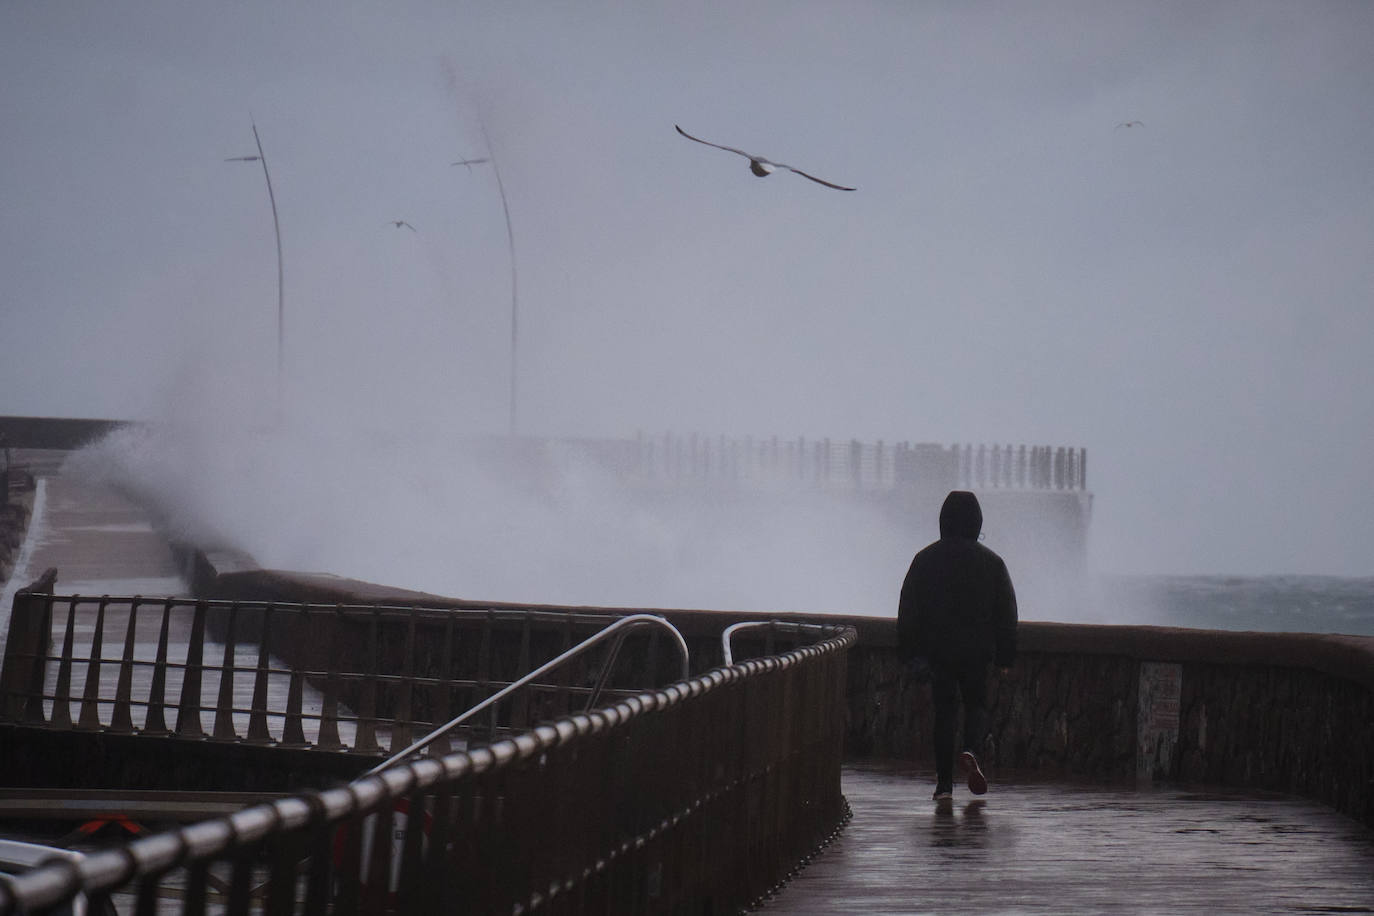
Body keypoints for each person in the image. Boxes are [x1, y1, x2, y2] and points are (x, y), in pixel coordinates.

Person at [897, 490, 1017, 801]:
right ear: (977, 522)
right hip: (977, 652)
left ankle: (944, 784)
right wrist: (1005, 655)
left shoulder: (924, 560)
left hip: (939, 652)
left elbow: (909, 609)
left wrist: (912, 654)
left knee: (945, 712)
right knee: (976, 704)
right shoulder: (992, 563)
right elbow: (1006, 612)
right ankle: (971, 750)